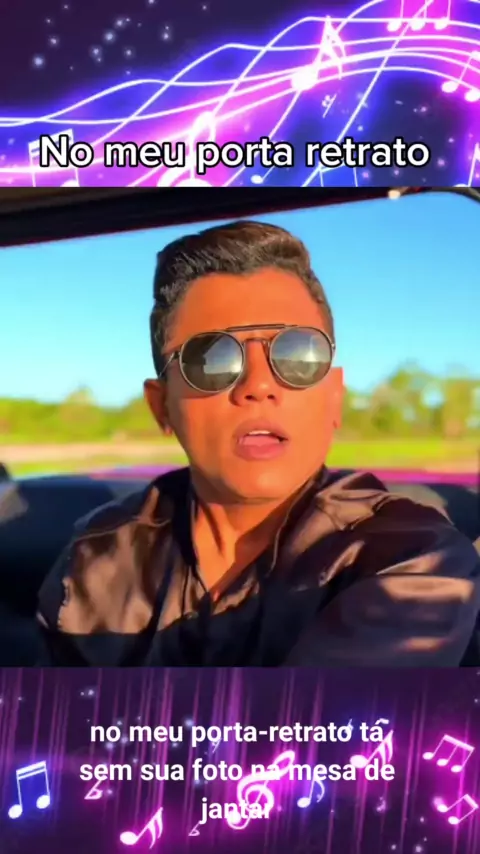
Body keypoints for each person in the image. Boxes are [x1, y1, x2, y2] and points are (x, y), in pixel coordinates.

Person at [36, 220, 480, 666]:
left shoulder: (412, 558)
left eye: (298, 354)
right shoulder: (96, 556)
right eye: (210, 358)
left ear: (334, 397)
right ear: (161, 406)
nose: (258, 384)